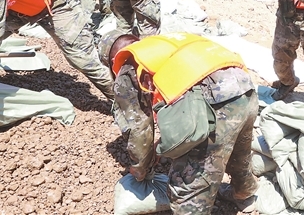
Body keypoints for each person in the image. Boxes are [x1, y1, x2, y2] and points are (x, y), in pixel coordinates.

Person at [98, 31, 259, 214]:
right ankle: (244, 194)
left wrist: (141, 167)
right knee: (238, 151)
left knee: (189, 187)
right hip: (245, 89)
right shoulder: (161, 46)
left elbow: (138, 129)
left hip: (217, 106)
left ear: (112, 60)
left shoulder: (129, 66)